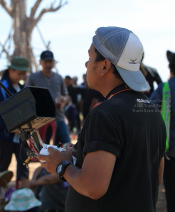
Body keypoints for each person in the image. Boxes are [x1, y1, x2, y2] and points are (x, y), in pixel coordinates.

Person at [37, 26, 166, 212]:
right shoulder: (152, 112)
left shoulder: (104, 114)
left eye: (90, 58)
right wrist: (80, 155)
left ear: (105, 65)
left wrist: (61, 165)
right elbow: (155, 175)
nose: (86, 64)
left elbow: (92, 186)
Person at [0, 57, 30, 188]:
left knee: (24, 164)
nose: (21, 76)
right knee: (3, 164)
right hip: (4, 135)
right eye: (19, 73)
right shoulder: (2, 88)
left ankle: (26, 198)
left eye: (24, 74)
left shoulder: (21, 87)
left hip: (21, 136)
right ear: (11, 70)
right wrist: (11, 128)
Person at [25, 50, 70, 145]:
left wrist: (63, 100)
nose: (48, 64)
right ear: (40, 62)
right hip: (40, 119)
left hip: (58, 117)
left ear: (54, 62)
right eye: (46, 62)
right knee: (40, 151)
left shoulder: (59, 77)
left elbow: (66, 96)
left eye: (50, 61)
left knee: (65, 146)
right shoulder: (33, 77)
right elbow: (25, 96)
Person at [150, 50, 175, 212]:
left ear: (170, 69)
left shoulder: (165, 89)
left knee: (171, 195)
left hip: (170, 152)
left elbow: (148, 113)